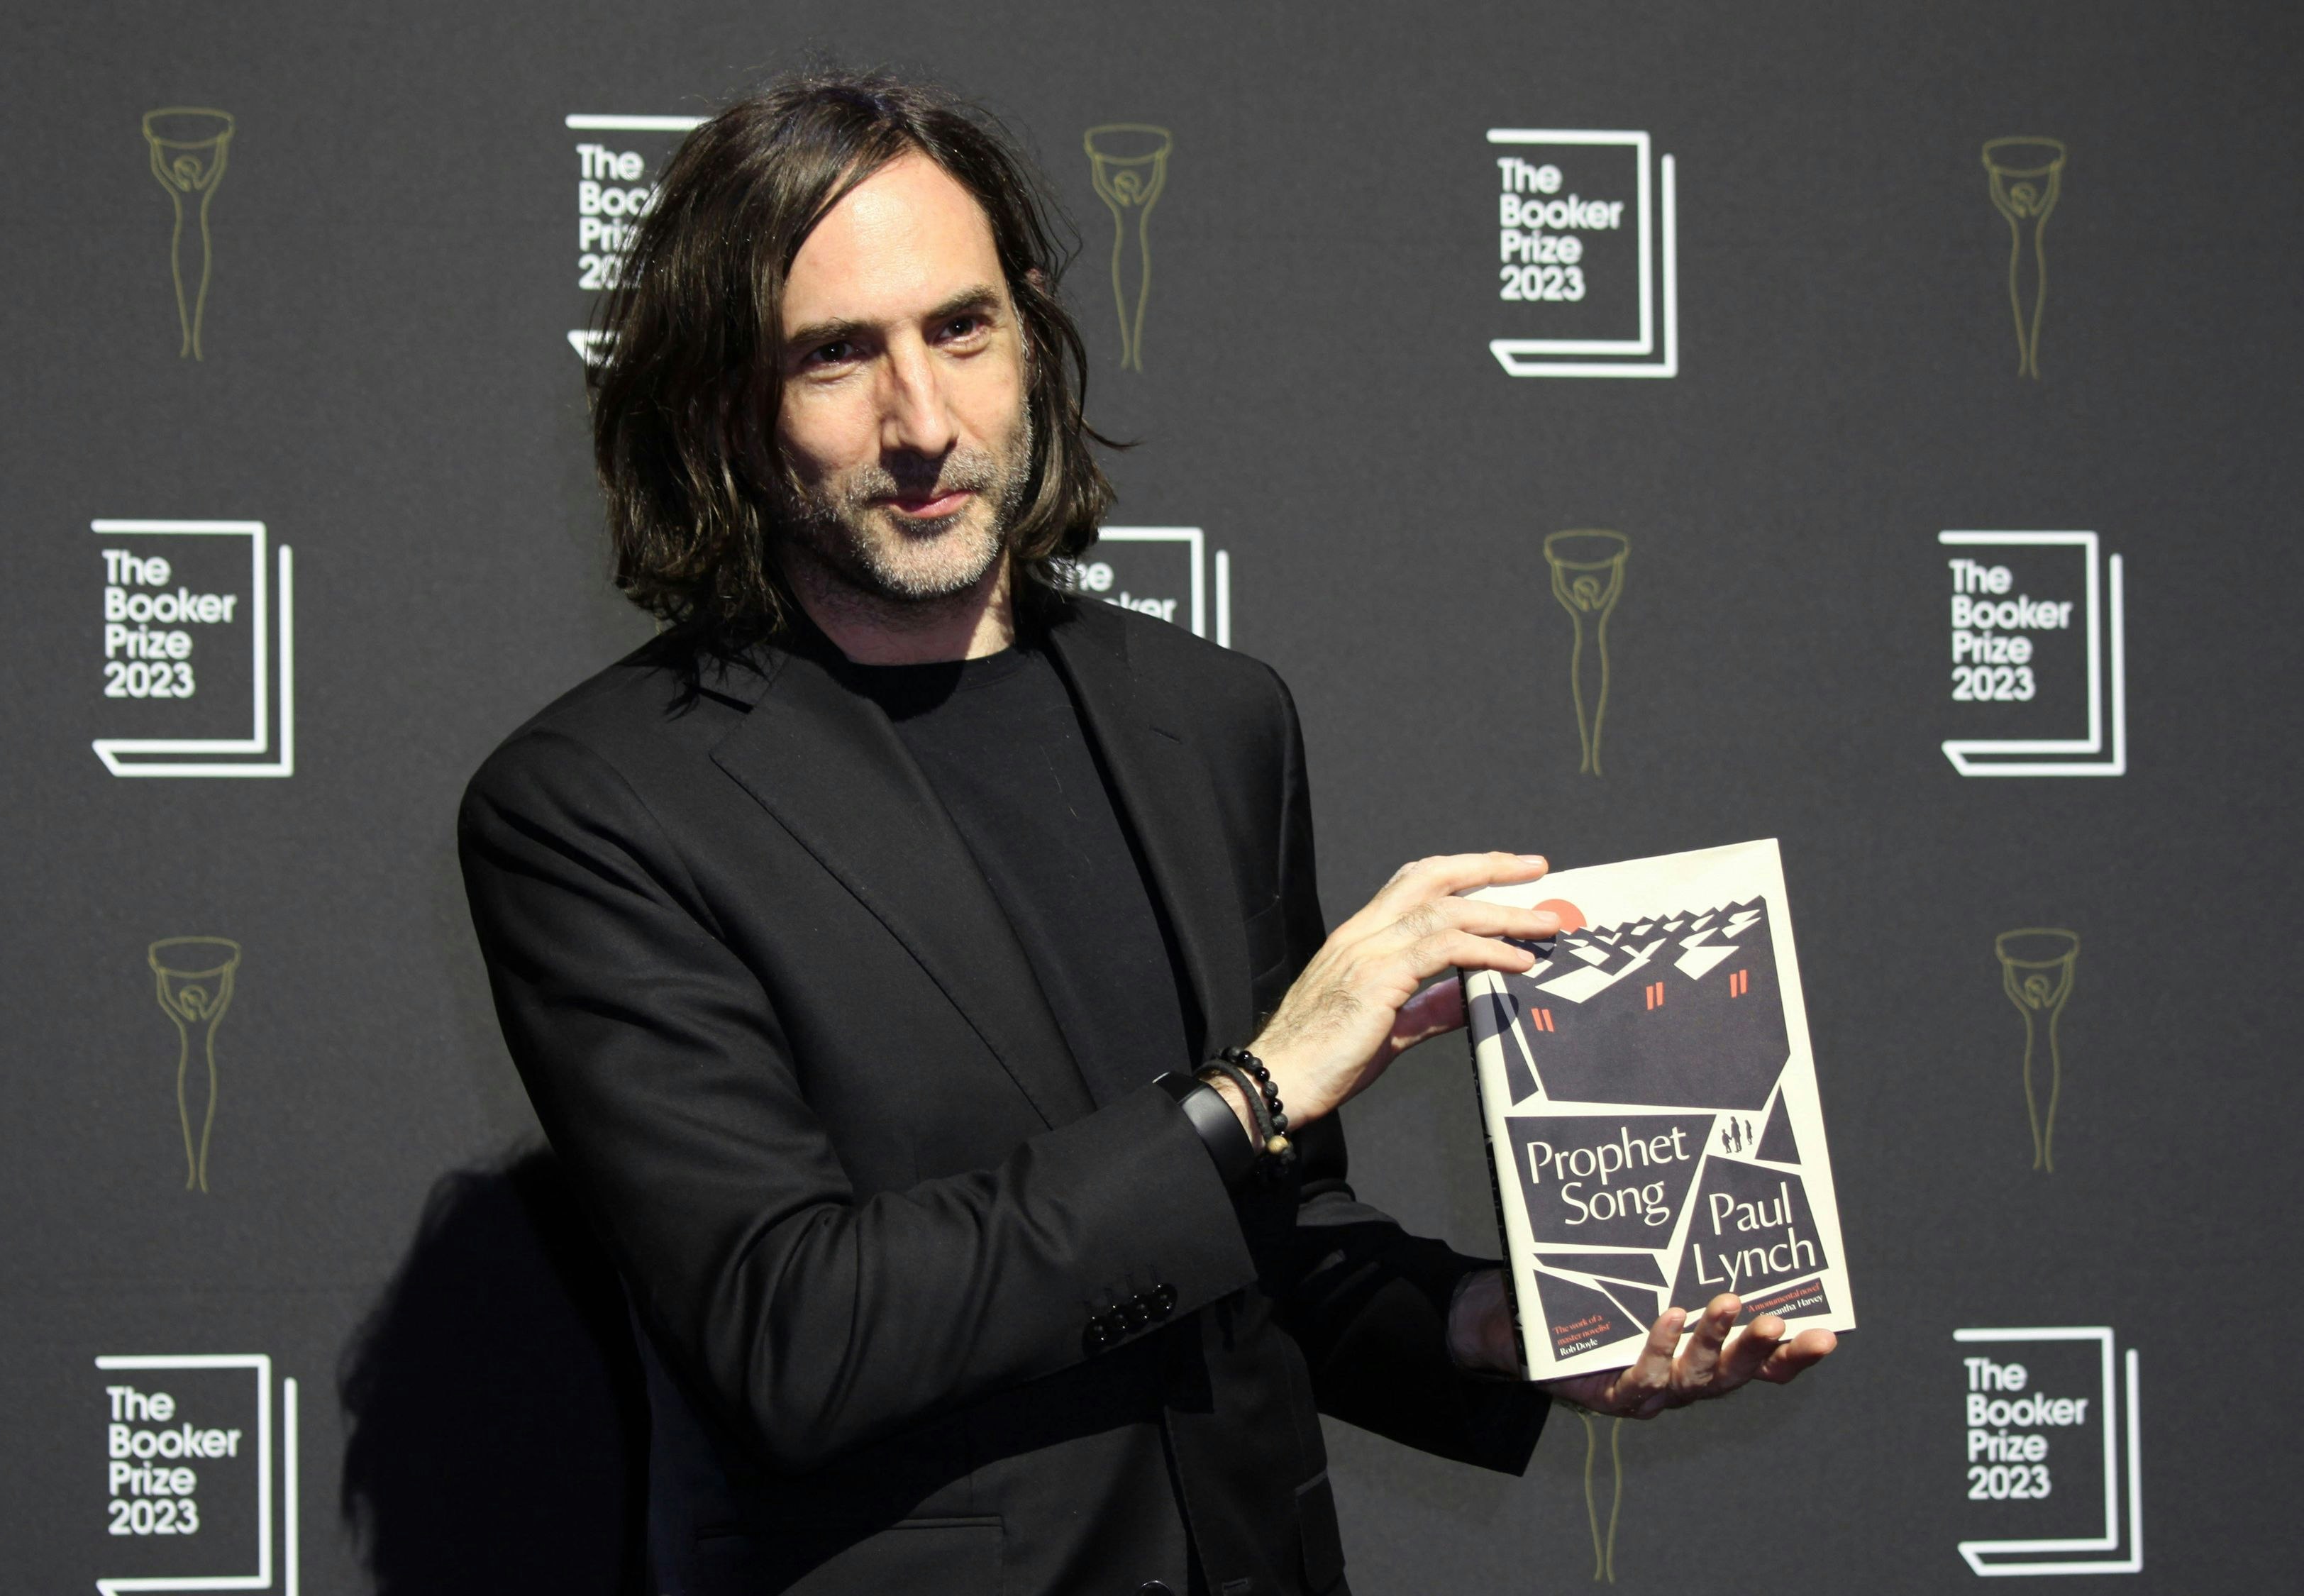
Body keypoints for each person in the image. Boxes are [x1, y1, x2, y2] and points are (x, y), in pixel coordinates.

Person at [458, 69, 1834, 1596]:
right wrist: (1252, 1090)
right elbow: (796, 1332)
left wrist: (1508, 1331)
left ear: (1029, 335)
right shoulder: (595, 803)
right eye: (835, 357)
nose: (921, 421)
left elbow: (1265, 1237)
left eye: (960, 330)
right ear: (725, 399)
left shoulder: (1210, 719)